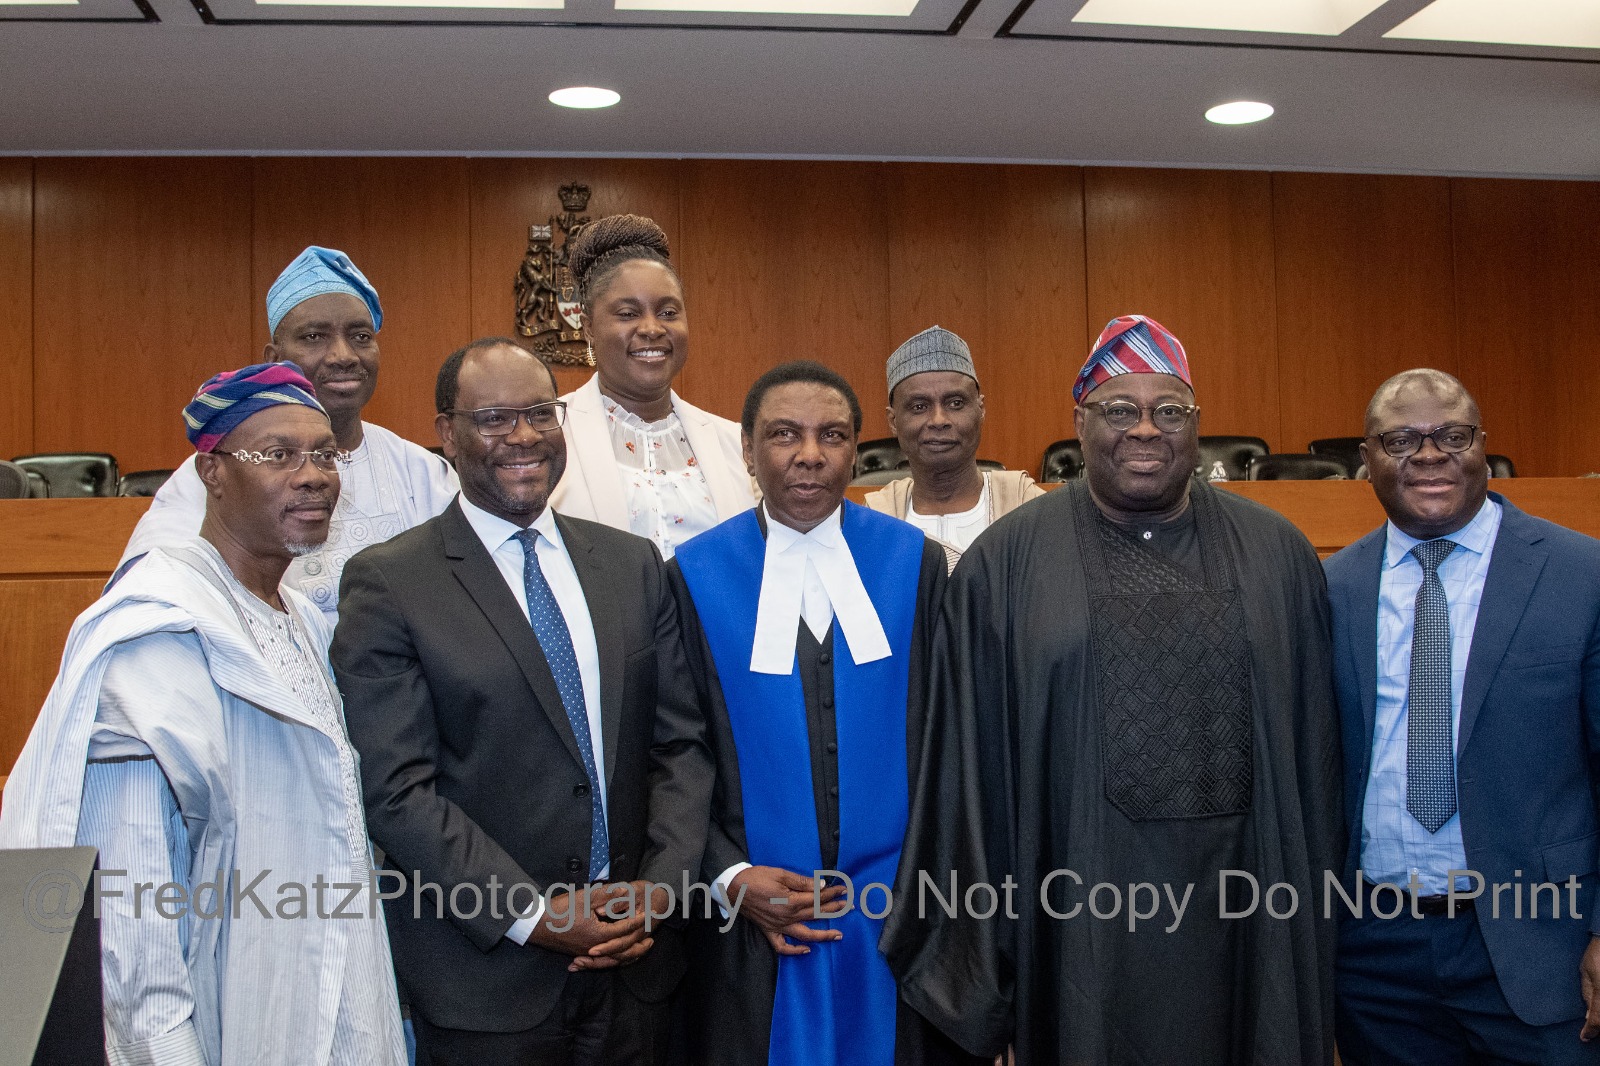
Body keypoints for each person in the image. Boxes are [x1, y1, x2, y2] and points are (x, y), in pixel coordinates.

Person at [884, 315, 1344, 1066]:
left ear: (1197, 424)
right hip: (1072, 930)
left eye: (1170, 410)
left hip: (1255, 920)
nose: (1146, 430)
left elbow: (1319, 768)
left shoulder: (1279, 556)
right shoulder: (1004, 567)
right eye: (1120, 409)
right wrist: (985, 982)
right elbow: (967, 784)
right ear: (1080, 422)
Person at [0, 362, 405, 1065]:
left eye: (324, 454)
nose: (313, 476)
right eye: (277, 455)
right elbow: (131, 901)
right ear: (212, 472)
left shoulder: (300, 619)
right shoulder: (159, 632)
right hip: (223, 1009)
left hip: (326, 986)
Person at [330, 337, 712, 1065]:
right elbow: (397, 789)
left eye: (540, 413)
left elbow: (679, 745)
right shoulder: (389, 584)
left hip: (639, 969)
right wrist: (533, 914)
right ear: (446, 434)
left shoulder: (631, 564)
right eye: (494, 418)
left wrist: (661, 892)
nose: (524, 436)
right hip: (487, 984)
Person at [668, 361, 976, 1066]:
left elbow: (951, 742)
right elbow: (674, 751)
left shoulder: (916, 565)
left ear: (858, 450)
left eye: (832, 435)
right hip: (750, 930)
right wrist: (728, 876)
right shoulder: (692, 575)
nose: (809, 454)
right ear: (748, 451)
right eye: (784, 435)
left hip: (900, 920)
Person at [1325, 369, 1600, 1064]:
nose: (1429, 455)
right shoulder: (1330, 587)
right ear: (1367, 458)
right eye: (1401, 440)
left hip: (1544, 945)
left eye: (1451, 435)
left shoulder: (1582, 575)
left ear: (1482, 446)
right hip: (1374, 956)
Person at [117, 245, 458, 618]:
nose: (344, 355)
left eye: (361, 336)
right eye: (314, 337)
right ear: (274, 360)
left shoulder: (421, 472)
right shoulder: (219, 476)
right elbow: (152, 602)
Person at [548, 214, 754, 557]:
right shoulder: (549, 433)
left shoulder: (733, 441)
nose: (652, 328)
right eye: (628, 314)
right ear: (588, 328)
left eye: (668, 312)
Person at [865, 325, 1043, 571]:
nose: (938, 420)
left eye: (956, 403)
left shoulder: (1026, 505)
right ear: (893, 421)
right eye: (919, 407)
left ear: (980, 409)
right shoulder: (876, 520)